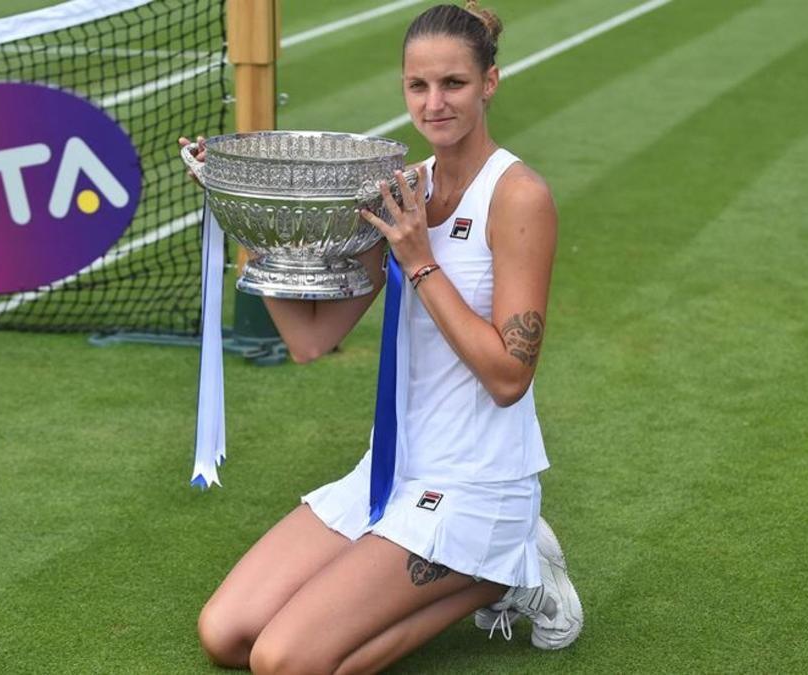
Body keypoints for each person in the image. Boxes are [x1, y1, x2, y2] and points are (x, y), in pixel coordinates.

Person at [179, 2, 581, 672]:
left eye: (453, 83)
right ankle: (496, 570)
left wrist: (420, 260)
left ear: (489, 83)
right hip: (390, 474)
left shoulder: (517, 197)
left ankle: (506, 567)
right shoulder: (403, 191)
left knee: (283, 660)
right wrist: (249, 219)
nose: (434, 102)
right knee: (225, 632)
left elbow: (509, 378)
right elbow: (312, 340)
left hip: (475, 484)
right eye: (417, 86)